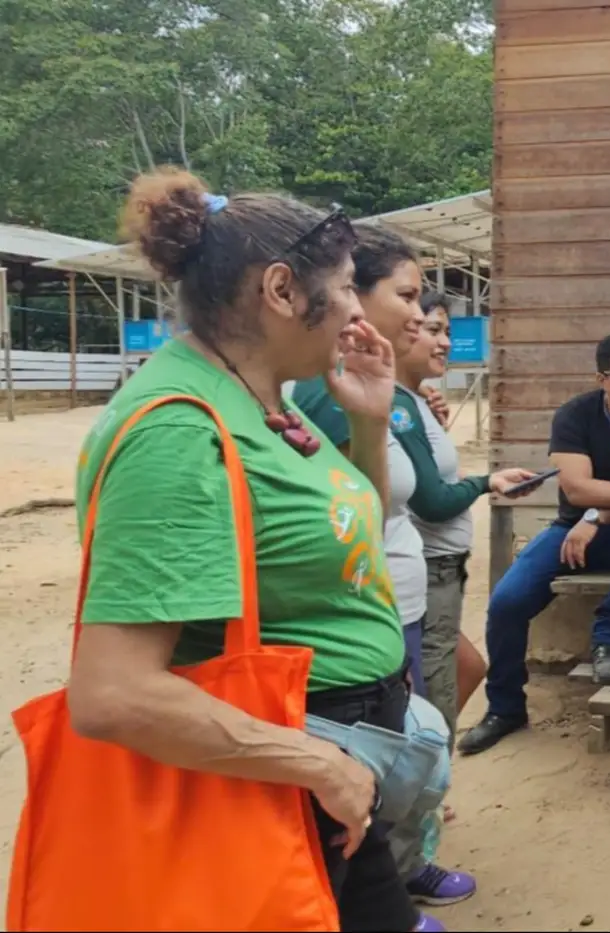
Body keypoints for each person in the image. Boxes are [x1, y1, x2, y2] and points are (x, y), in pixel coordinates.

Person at [66, 168, 430, 931]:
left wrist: (368, 423)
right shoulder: (178, 431)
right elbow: (113, 693)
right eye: (346, 286)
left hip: (325, 769)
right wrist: (317, 763)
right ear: (282, 289)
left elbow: (348, 542)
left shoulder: (265, 398)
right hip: (276, 773)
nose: (357, 309)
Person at [294, 225, 490, 913]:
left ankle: (405, 867)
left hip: (389, 609)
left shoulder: (376, 395)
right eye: (405, 298)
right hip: (363, 622)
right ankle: (400, 876)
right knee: (389, 757)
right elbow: (366, 523)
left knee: (406, 745)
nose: (422, 317)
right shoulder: (322, 395)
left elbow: (369, 507)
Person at [460, 332, 610, 755]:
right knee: (507, 602)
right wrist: (602, 509)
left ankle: (608, 637)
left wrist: (597, 515)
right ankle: (505, 708)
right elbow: (578, 489)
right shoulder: (575, 415)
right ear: (602, 379)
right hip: (571, 532)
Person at [401, 291, 529, 751]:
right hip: (428, 568)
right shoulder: (396, 407)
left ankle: (424, 769)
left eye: (448, 332)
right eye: (433, 330)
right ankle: (424, 777)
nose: (445, 343)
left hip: (443, 570)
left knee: (466, 669)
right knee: (432, 696)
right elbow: (432, 501)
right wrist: (486, 482)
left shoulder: (416, 402)